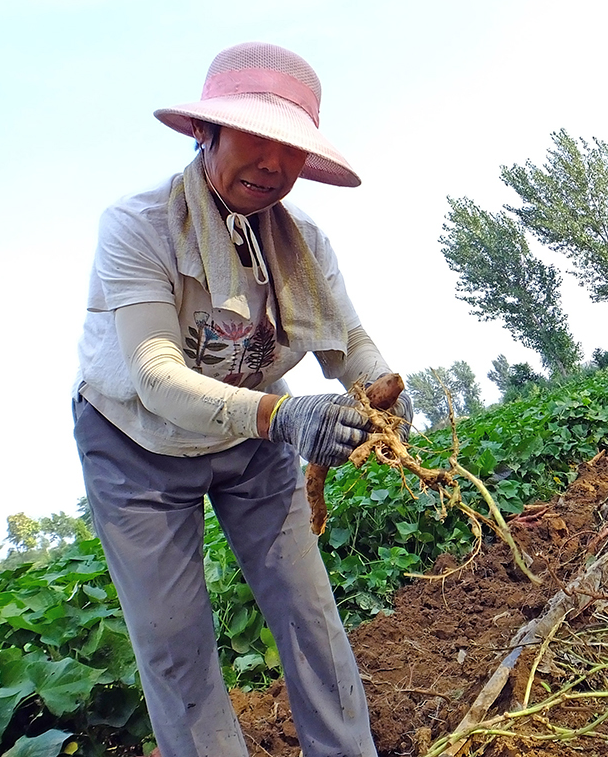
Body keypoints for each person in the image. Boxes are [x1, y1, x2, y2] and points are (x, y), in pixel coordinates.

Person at [72, 42, 411, 757]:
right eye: (255, 137)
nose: (274, 164)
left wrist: (383, 388)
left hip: (253, 440)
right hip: (135, 445)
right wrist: (284, 416)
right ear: (206, 132)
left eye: (292, 148)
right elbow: (155, 374)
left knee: (308, 610)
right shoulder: (139, 226)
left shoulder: (303, 242)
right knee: (173, 641)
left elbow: (347, 339)